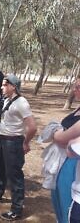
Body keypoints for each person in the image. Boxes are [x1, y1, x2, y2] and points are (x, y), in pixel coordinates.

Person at [0, 74, 37, 221]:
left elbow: (32, 127)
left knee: (14, 175)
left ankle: (17, 209)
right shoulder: (7, 100)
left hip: (13, 142)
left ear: (13, 86)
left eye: (5, 85)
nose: (1, 87)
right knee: (0, 168)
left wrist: (25, 143)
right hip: (1, 139)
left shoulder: (22, 103)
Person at [52, 79, 80, 223]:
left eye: (79, 87)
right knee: (58, 196)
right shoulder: (77, 108)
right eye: (74, 86)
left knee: (66, 201)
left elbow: (62, 139)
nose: (75, 89)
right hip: (63, 160)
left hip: (73, 164)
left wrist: (56, 133)